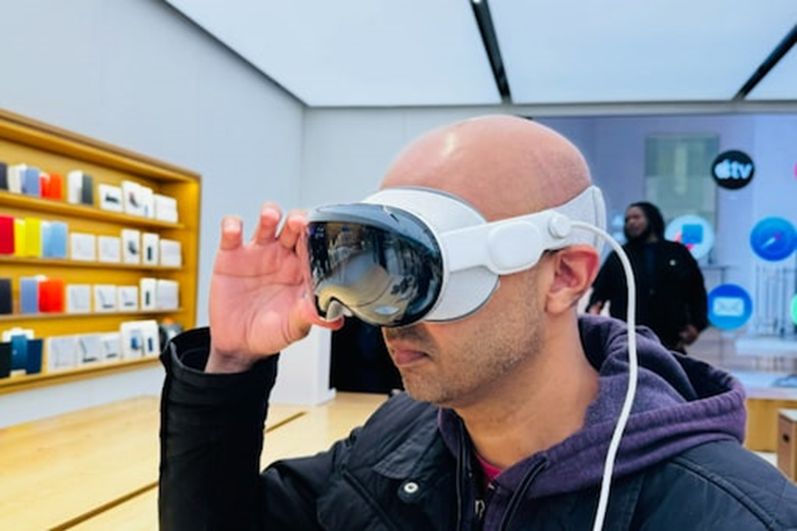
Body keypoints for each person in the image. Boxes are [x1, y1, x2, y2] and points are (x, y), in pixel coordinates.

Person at [159, 115, 797, 530]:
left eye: (421, 273)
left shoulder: (732, 515)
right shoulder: (399, 435)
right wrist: (231, 363)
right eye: (379, 268)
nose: (388, 319)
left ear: (565, 276)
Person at [587, 202, 709, 354]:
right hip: (628, 343)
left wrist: (697, 325)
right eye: (627, 220)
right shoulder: (619, 256)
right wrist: (593, 317)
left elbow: (697, 292)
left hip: (671, 342)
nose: (631, 222)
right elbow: (599, 293)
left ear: (651, 219)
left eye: (636, 217)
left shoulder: (677, 252)